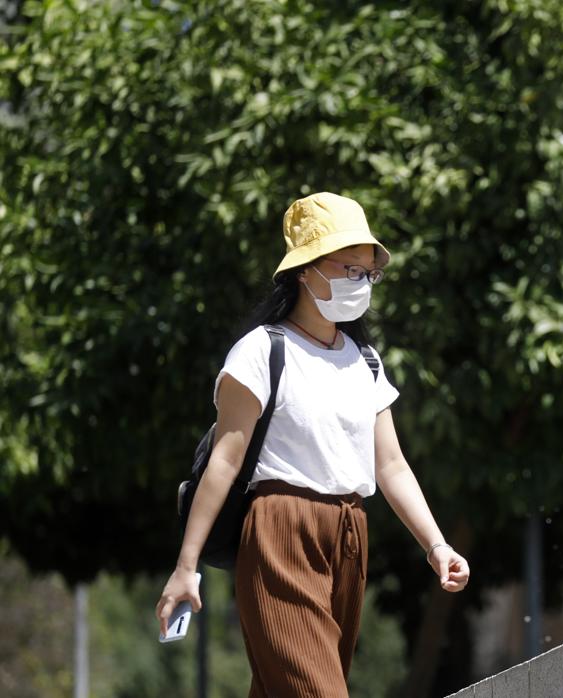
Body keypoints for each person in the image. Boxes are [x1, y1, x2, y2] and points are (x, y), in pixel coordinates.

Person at [155, 192, 469, 696]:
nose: (361, 283)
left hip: (350, 535)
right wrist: (185, 567)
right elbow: (224, 462)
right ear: (304, 270)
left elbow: (391, 465)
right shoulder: (261, 351)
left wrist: (436, 545)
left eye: (369, 273)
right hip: (280, 530)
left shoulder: (364, 360)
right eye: (349, 268)